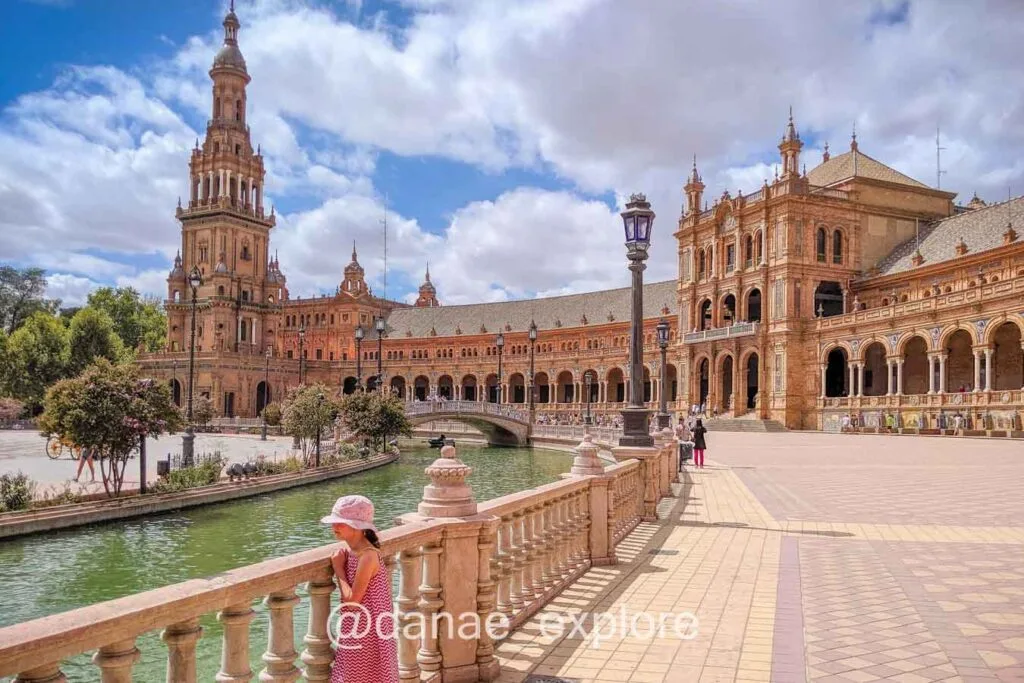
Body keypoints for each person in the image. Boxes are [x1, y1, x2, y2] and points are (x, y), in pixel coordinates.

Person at [322, 495, 398, 683]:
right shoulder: (355, 551)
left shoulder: (367, 556)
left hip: (367, 628)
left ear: (357, 527)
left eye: (340, 523)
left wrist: (338, 568)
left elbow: (353, 602)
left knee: (357, 675)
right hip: (362, 625)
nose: (334, 527)